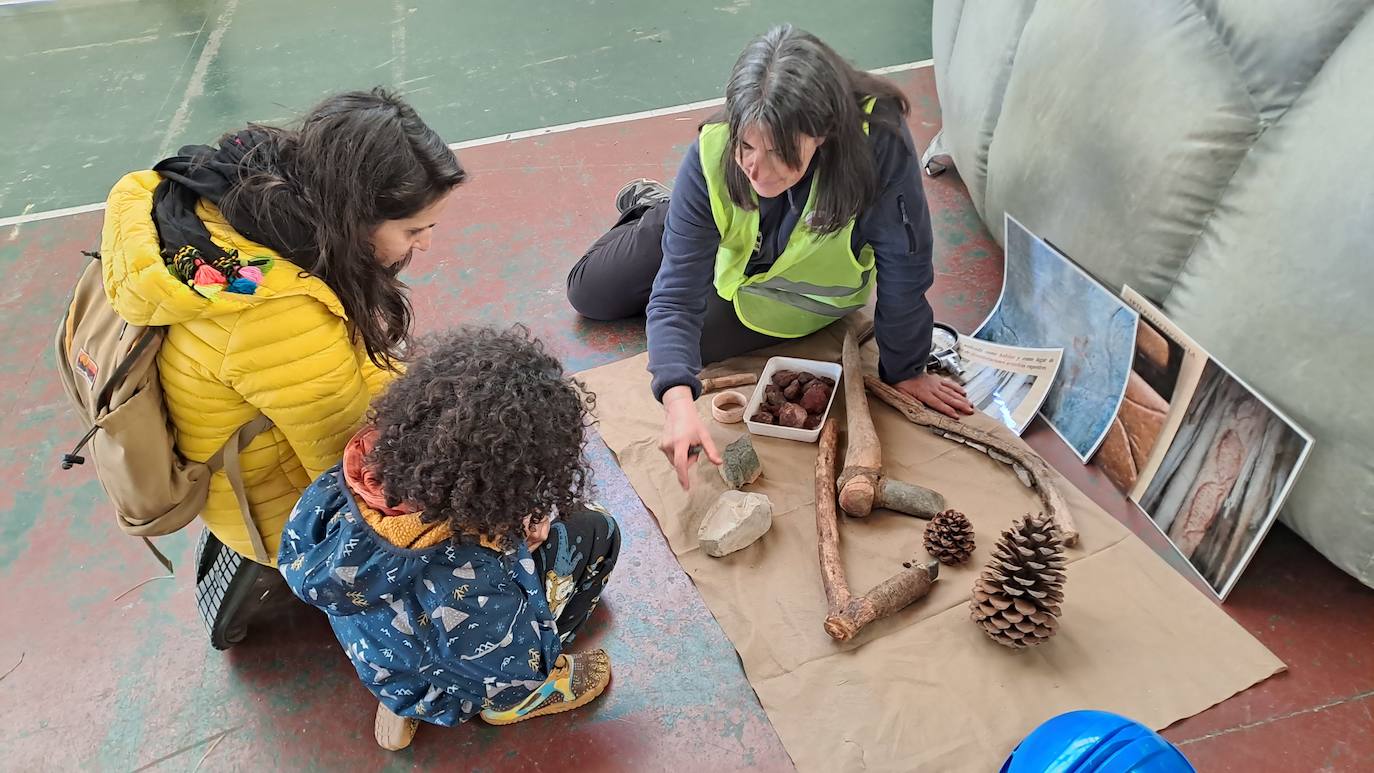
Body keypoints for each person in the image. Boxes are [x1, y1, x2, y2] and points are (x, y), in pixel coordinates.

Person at [100, 88, 466, 645]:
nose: (428, 245)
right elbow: (352, 472)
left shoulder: (242, 196)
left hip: (243, 452)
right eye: (414, 231)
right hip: (275, 505)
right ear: (354, 214)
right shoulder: (279, 314)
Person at [566, 25, 975, 488]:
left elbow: (906, 264)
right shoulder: (716, 151)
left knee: (698, 348)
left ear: (821, 133)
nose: (756, 168)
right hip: (728, 237)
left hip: (779, 282)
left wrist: (906, 368)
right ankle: (665, 208)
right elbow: (676, 295)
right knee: (589, 293)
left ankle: (693, 229)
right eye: (746, 146)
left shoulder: (876, 143)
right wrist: (678, 404)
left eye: (780, 152)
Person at [278, 326, 620, 751]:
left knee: (418, 626)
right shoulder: (472, 577)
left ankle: (400, 698)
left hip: (381, 654)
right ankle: (512, 704)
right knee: (599, 531)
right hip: (455, 677)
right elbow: (512, 664)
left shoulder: (350, 477)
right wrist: (512, 555)